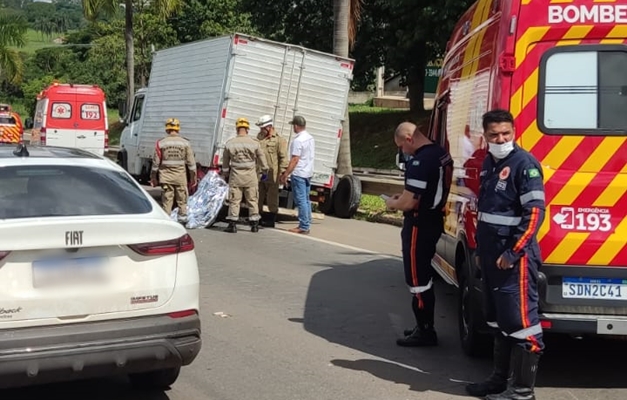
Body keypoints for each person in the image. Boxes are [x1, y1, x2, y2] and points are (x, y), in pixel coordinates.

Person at [465, 109, 545, 400]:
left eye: (505, 133)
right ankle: (499, 380)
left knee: (522, 323)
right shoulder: (488, 163)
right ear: (485, 136)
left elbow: (534, 214)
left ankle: (523, 391)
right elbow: (486, 214)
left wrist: (513, 252)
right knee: (499, 321)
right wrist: (479, 253)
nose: (501, 139)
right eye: (494, 135)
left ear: (514, 131)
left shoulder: (525, 164)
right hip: (490, 256)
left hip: (515, 259)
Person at [385, 122, 453, 347]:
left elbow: (409, 201)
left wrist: (393, 204)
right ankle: (423, 327)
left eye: (401, 146)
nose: (402, 152)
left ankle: (425, 331)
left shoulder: (419, 161)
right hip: (433, 219)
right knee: (423, 275)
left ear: (409, 139)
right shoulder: (440, 153)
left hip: (418, 223)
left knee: (417, 280)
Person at [222, 117, 269, 233]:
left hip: (236, 177)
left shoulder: (230, 144)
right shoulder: (254, 143)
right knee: (252, 200)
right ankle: (254, 225)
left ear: (237, 128)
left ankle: (232, 225)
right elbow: (262, 158)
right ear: (247, 129)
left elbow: (225, 162)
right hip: (250, 177)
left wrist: (225, 173)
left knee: (235, 200)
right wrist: (265, 171)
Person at [151, 118, 197, 223]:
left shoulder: (161, 143)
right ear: (178, 129)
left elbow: (155, 164)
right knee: (182, 200)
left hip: (166, 178)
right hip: (180, 177)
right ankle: (182, 221)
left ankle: (167, 222)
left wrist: (153, 177)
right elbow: (191, 163)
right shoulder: (185, 143)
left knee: (167, 201)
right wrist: (193, 178)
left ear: (167, 129)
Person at [279, 115, 315, 234]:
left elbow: (295, 159)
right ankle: (307, 221)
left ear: (296, 126)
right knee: (305, 199)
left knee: (300, 200)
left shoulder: (298, 140)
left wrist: (286, 174)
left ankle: (303, 225)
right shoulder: (310, 138)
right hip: (308, 172)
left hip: (299, 173)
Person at [256, 114, 288, 228]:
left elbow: (283, 157)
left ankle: (270, 219)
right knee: (257, 196)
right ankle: (257, 217)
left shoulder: (279, 140)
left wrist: (283, 173)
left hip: (272, 175)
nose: (261, 130)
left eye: (262, 128)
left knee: (272, 198)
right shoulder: (259, 137)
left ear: (269, 127)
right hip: (260, 174)